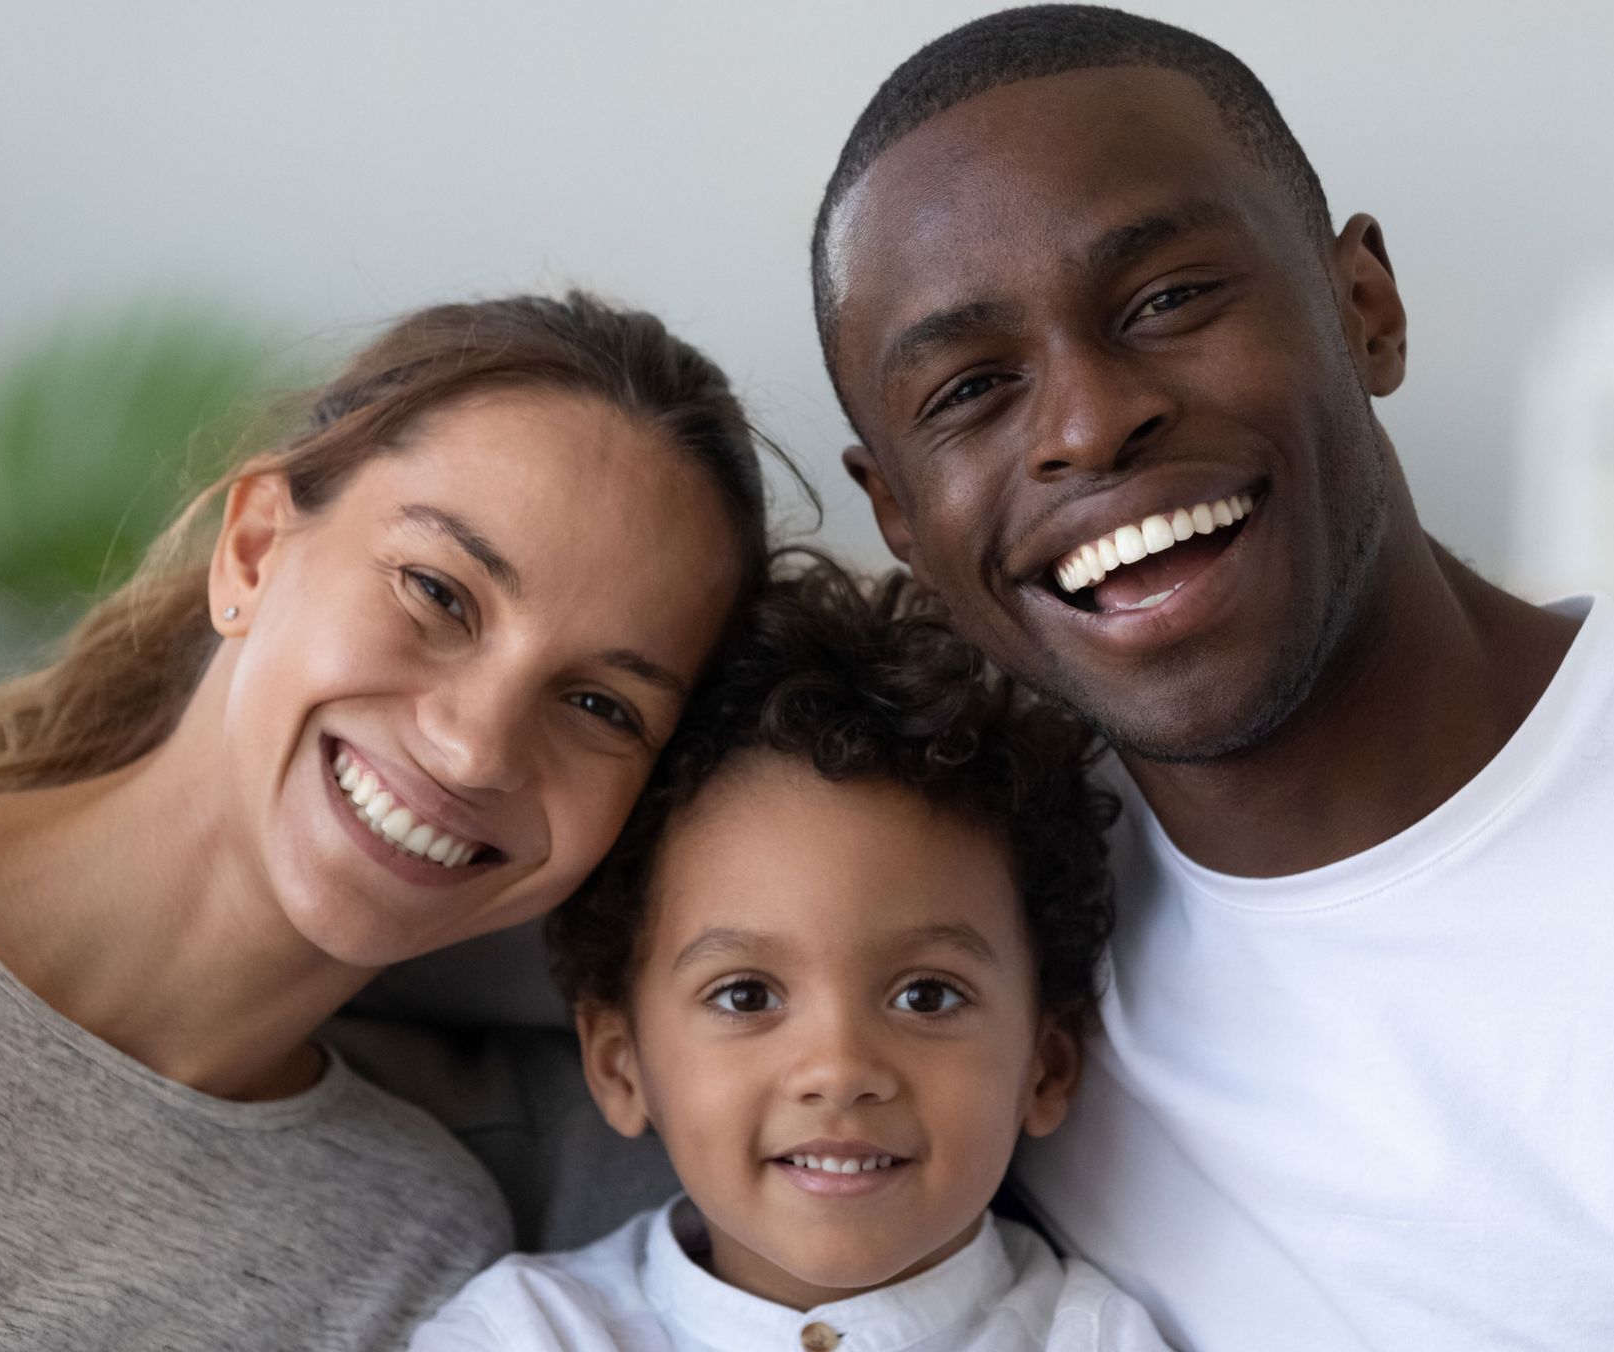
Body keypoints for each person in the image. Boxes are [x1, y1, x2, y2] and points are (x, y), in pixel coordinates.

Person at [0, 292, 786, 1350]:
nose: (477, 747)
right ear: (255, 549)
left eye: (603, 705)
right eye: (438, 592)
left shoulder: (421, 1252)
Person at [817, 7, 1614, 1351]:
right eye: (969, 389)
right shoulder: (971, 898)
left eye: (1168, 301)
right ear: (901, 520)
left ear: (1364, 309)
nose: (1087, 422)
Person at [411, 558, 1171, 1351]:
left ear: (1046, 1066)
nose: (839, 1071)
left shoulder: (1100, 1338)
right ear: (618, 1064)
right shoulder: (527, 1333)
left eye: (928, 996)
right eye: (746, 996)